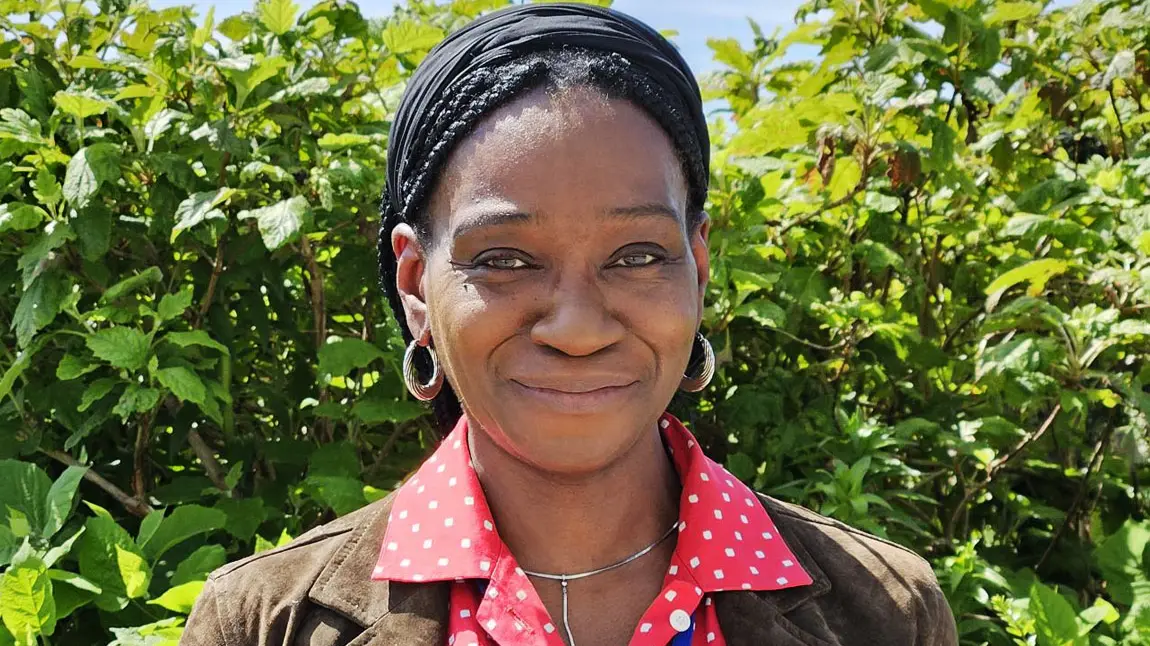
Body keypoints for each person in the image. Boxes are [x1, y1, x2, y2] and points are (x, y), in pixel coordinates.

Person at [180, 4, 958, 645]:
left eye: (637, 254)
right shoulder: (262, 623)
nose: (579, 328)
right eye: (507, 260)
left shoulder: (885, 613)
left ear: (699, 263)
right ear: (416, 283)